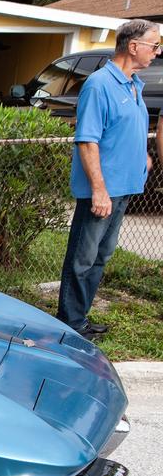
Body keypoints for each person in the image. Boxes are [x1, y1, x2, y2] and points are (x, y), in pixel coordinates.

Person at [57, 19, 160, 338]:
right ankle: (70, 322)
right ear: (133, 47)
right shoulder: (100, 84)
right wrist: (99, 190)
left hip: (124, 189)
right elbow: (88, 140)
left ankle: (80, 318)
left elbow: (124, 130)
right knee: (82, 259)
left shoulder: (133, 85)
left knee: (100, 257)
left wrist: (141, 156)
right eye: (154, 46)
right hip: (101, 191)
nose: (157, 52)